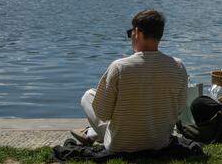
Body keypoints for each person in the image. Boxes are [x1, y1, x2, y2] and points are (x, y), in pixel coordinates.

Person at [72, 10, 189, 154]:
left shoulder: (120, 67)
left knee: (88, 96)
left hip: (120, 146)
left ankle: (92, 133)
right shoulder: (178, 66)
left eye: (130, 33)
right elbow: (179, 108)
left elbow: (102, 114)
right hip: (160, 142)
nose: (130, 38)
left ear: (138, 33)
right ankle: (91, 133)